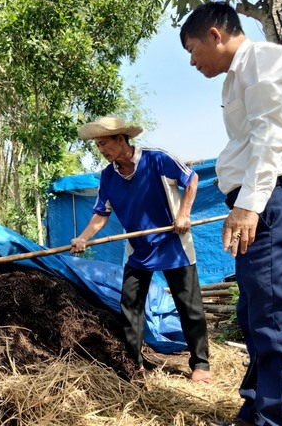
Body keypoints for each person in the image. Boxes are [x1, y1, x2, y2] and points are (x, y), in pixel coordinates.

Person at [180, 2, 282, 426]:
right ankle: (256, 412)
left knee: (275, 320)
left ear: (215, 35)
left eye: (192, 49)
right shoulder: (237, 78)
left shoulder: (262, 59)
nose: (192, 62)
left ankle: (278, 420)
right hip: (262, 202)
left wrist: (247, 205)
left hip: (272, 201)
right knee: (256, 316)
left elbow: (270, 134)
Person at [69, 115, 211, 384]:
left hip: (174, 244)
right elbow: (101, 213)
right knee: (131, 306)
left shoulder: (157, 158)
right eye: (97, 145)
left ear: (120, 139)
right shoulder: (108, 177)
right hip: (138, 249)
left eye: (103, 143)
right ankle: (134, 365)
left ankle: (201, 364)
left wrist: (184, 214)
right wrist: (83, 238)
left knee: (189, 306)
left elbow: (191, 179)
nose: (100, 150)